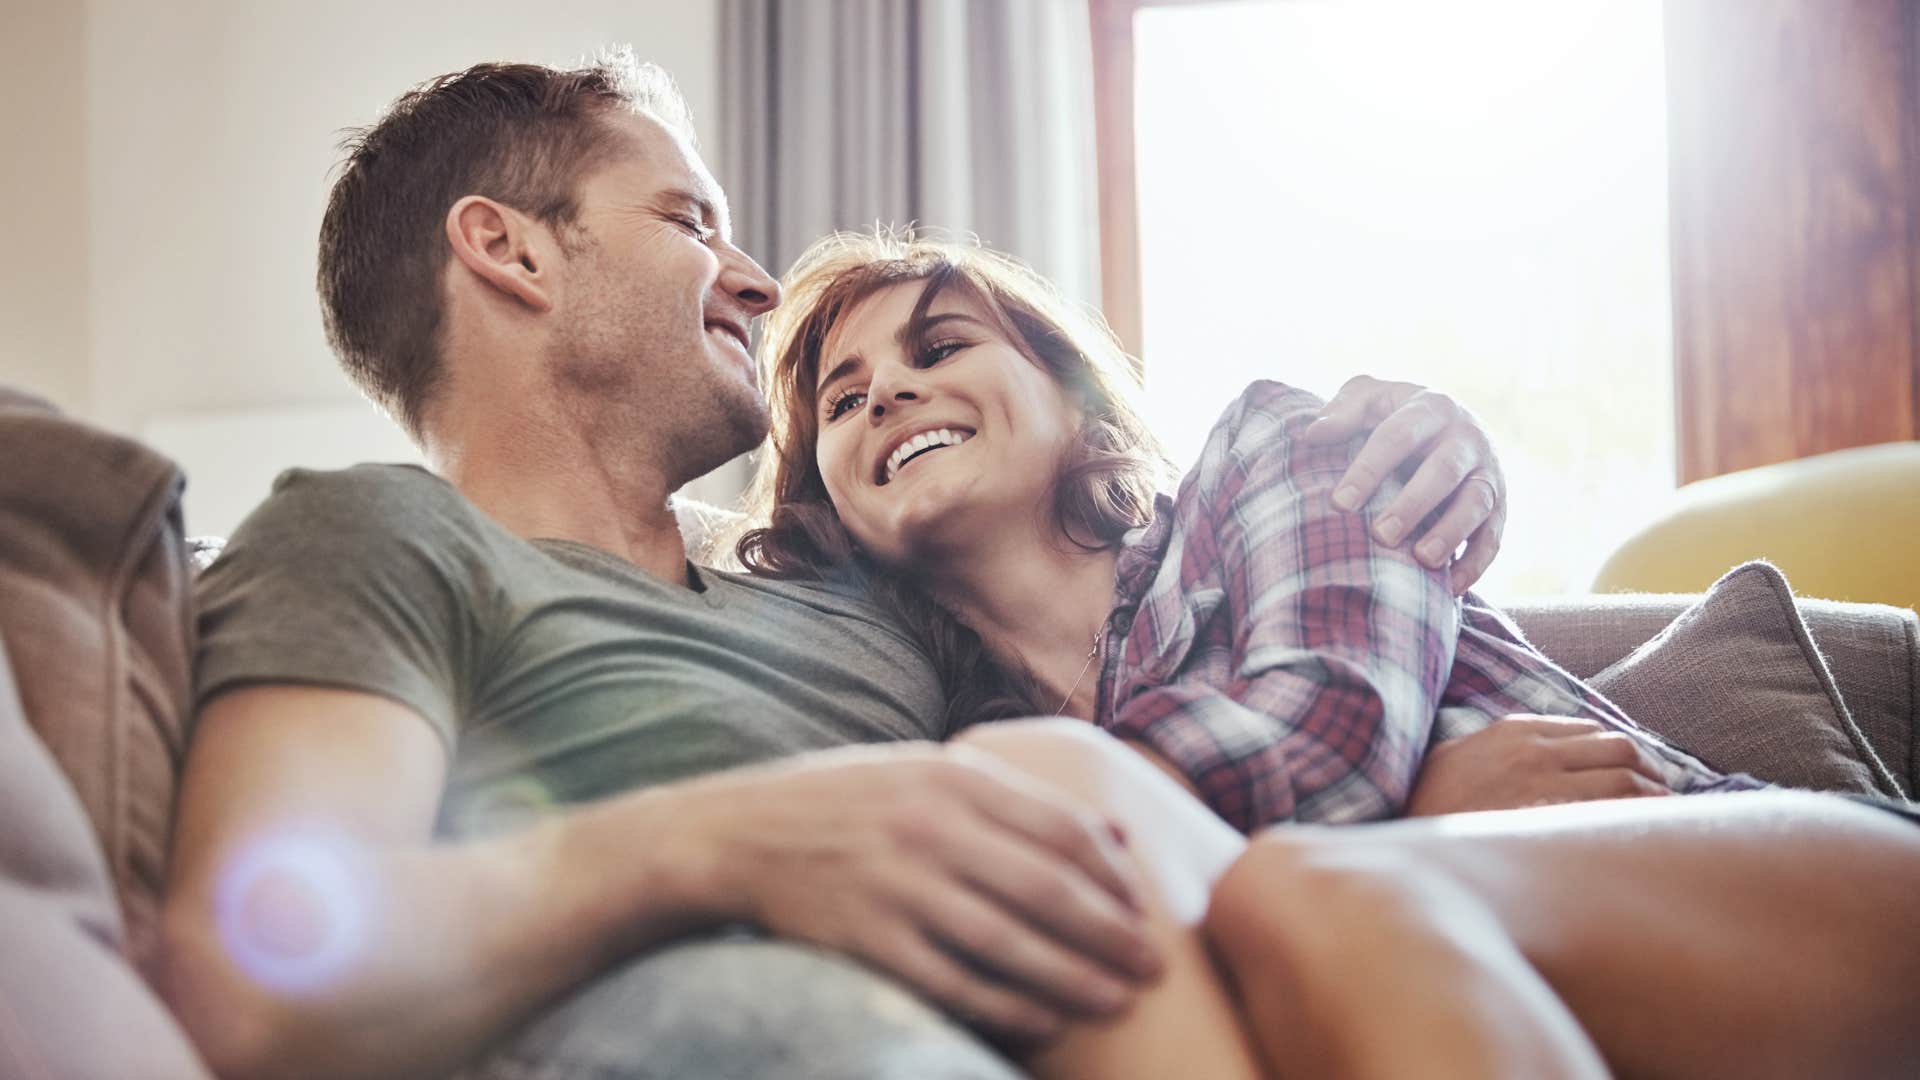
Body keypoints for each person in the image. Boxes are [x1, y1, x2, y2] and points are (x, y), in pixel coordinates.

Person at [155, 53, 1515, 1080]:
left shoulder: (866, 599)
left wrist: (1430, 706)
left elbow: (1134, 653)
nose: (754, 281)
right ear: (507, 249)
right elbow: (249, 976)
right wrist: (718, 843)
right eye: (691, 218)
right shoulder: (376, 538)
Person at [739, 229, 1920, 1078]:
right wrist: (1435, 807)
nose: (890, 391)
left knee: (1312, 885)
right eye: (842, 403)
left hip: (1794, 899)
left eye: (939, 347)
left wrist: (1389, 813)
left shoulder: (1280, 453)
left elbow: (1333, 741)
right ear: (833, 511)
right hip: (1472, 998)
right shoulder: (967, 738)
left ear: (1077, 404)